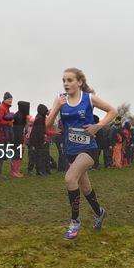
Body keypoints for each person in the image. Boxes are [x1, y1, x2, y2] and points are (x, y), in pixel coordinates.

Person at [46, 67, 117, 240]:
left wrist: (98, 126)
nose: (65, 84)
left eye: (69, 80)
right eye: (63, 80)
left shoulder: (88, 98)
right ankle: (99, 212)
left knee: (70, 178)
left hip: (88, 149)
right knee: (84, 187)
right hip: (70, 150)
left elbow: (113, 111)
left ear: (79, 82)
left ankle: (74, 222)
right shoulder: (60, 99)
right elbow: (48, 124)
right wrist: (57, 107)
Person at [0, 92, 15, 178]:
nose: (10, 101)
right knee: (0, 153)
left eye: (11, 99)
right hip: (1, 133)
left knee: (1, 153)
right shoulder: (2, 108)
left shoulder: (6, 108)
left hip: (4, 134)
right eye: (9, 99)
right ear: (5, 99)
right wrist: (9, 122)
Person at [12, 101, 30, 178]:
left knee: (19, 154)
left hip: (19, 137)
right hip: (17, 138)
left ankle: (17, 170)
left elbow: (24, 128)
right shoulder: (18, 116)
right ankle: (14, 171)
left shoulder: (22, 115)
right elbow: (18, 130)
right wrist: (21, 140)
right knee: (16, 154)